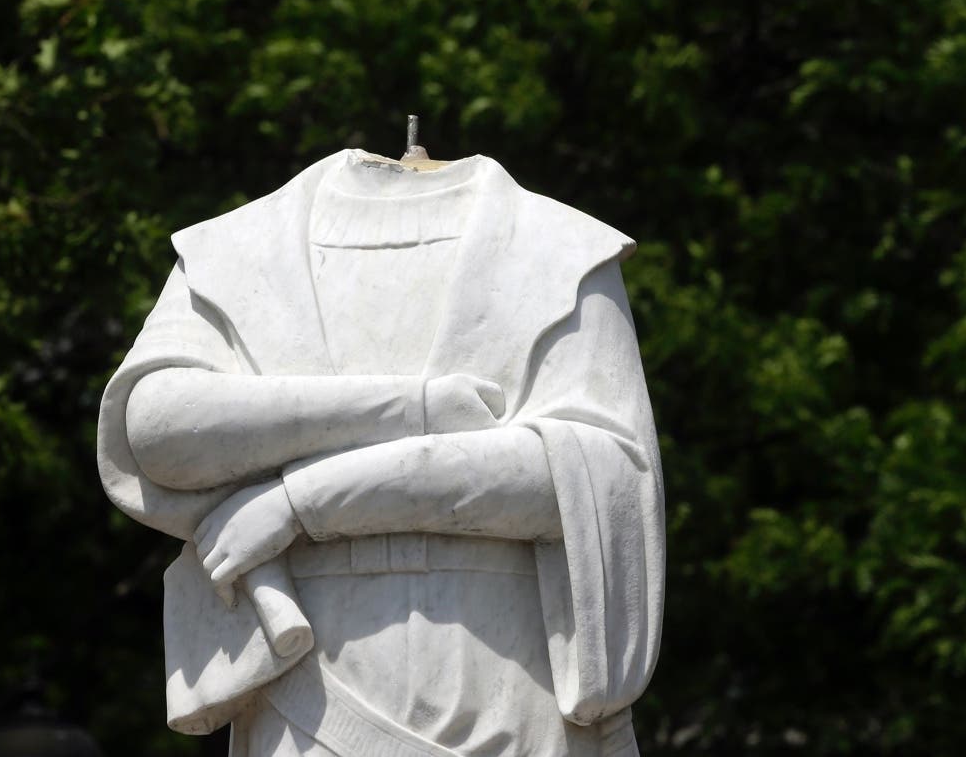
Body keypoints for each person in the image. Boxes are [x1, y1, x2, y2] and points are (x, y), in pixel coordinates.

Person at [97, 148, 665, 756]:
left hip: (506, 695)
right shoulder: (241, 248)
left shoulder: (560, 250)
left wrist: (297, 502)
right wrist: (411, 408)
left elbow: (591, 479)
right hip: (311, 698)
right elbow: (156, 429)